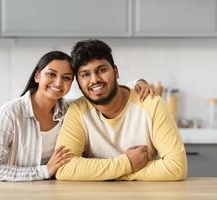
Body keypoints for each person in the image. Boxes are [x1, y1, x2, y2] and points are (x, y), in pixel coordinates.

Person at [0, 50, 157, 182]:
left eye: (66, 78)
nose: (58, 83)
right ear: (37, 76)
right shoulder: (9, 114)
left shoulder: (69, 110)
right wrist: (45, 170)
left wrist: (137, 84)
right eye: (51, 74)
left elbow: (105, 93)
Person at [55, 40, 187, 181]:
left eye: (102, 70)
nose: (95, 80)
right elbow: (64, 168)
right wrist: (127, 163)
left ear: (116, 72)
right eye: (85, 74)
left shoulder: (152, 104)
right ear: (79, 82)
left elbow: (177, 167)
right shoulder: (77, 111)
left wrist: (113, 175)